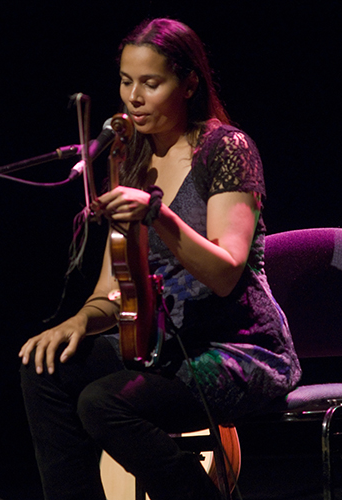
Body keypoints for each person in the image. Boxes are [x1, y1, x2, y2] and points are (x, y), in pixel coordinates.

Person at [19, 18, 302, 500]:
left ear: (189, 83)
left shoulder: (226, 149)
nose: (134, 96)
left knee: (103, 403)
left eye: (151, 83)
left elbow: (225, 274)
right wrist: (81, 321)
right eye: (127, 82)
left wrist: (159, 215)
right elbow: (114, 286)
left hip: (238, 349)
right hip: (163, 346)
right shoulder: (128, 160)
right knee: (46, 368)